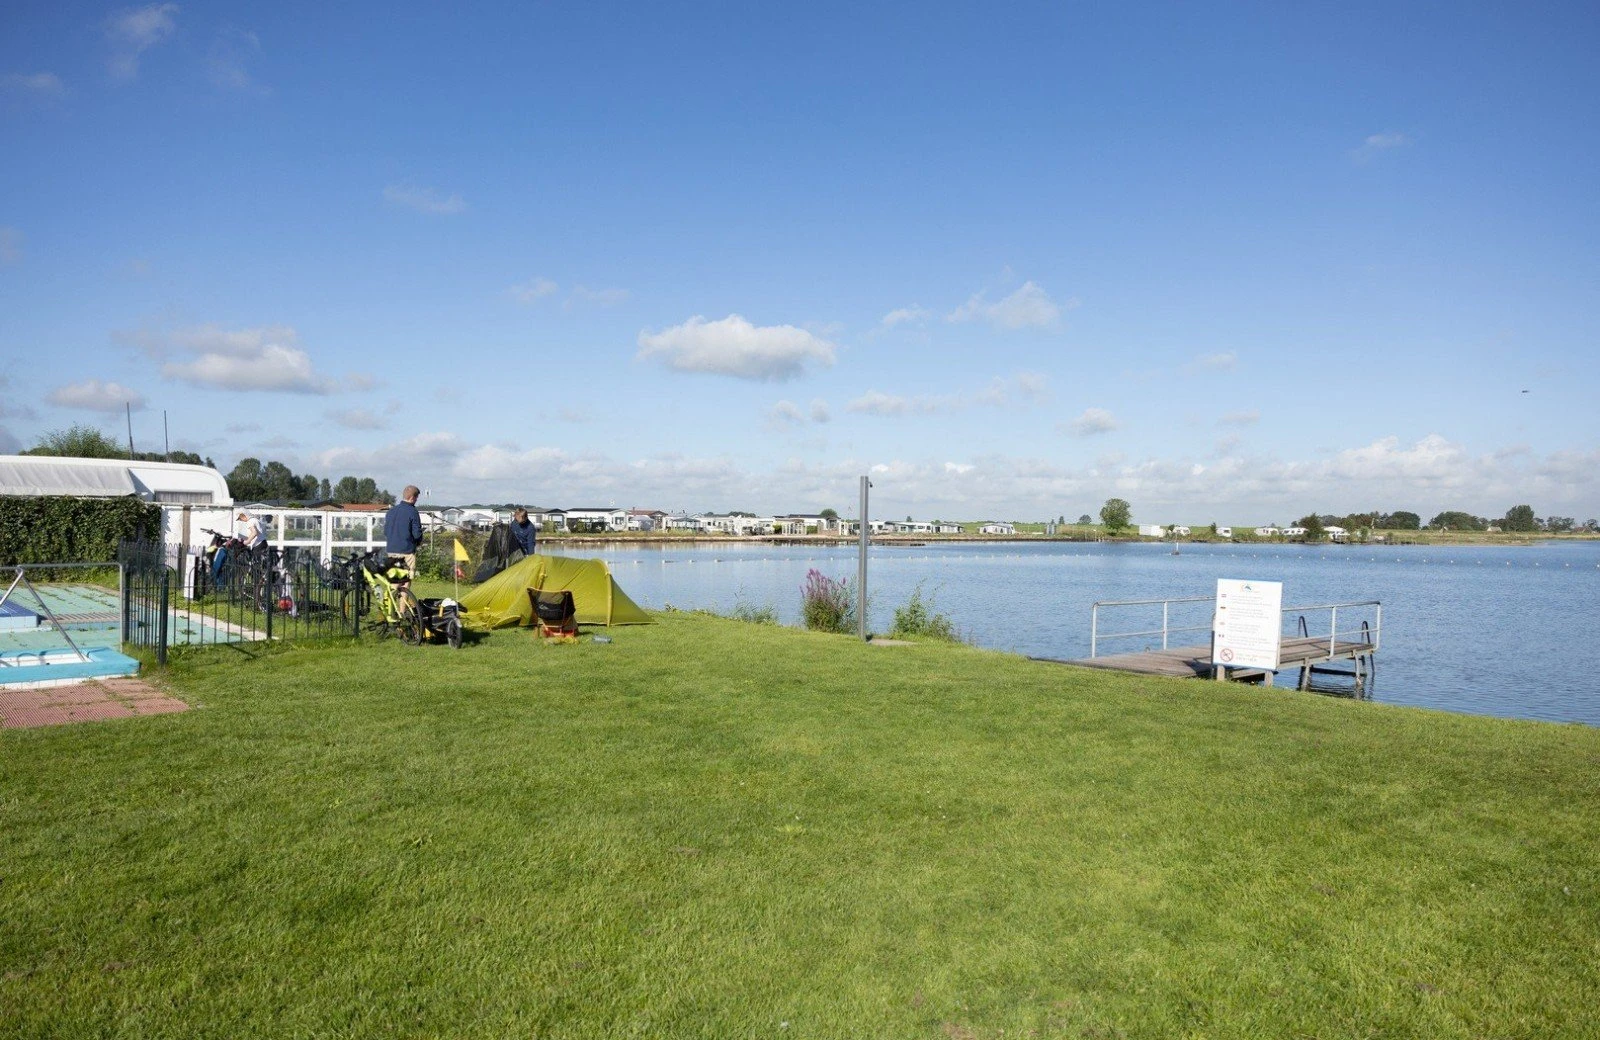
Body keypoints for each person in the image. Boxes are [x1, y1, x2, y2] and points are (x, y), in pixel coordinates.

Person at [384, 485, 424, 575]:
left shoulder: (391, 511)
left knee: (394, 577)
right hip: (407, 551)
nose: (416, 500)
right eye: (416, 498)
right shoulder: (412, 511)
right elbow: (417, 534)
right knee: (406, 578)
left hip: (391, 550)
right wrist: (417, 543)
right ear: (412, 497)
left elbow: (386, 532)